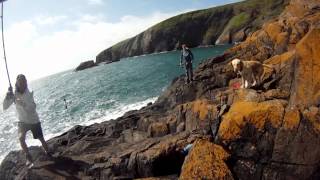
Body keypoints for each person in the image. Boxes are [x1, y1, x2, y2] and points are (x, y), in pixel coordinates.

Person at [3, 74, 51, 166]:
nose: (22, 83)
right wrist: (7, 96)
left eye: (24, 81)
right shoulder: (14, 94)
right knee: (21, 138)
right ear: (17, 83)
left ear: (26, 82)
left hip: (33, 120)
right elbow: (5, 107)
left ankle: (48, 152)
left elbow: (32, 108)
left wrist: (22, 104)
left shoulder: (29, 93)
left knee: (41, 138)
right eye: (20, 81)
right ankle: (28, 156)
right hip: (22, 122)